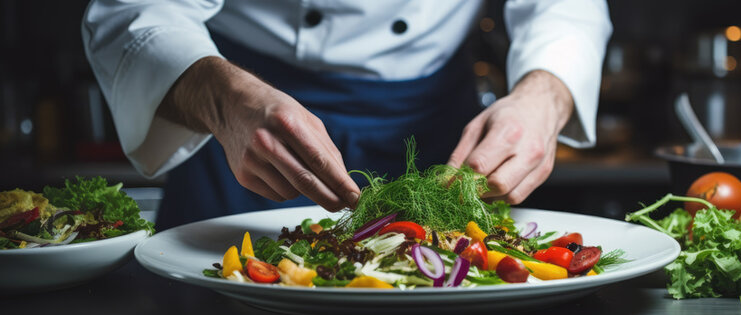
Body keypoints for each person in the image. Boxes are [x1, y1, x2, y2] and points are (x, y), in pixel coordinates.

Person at [82, 0, 611, 230]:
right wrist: (224, 101)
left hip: (438, 125)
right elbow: (133, 12)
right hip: (243, 119)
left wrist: (546, 93)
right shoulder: (232, 106)